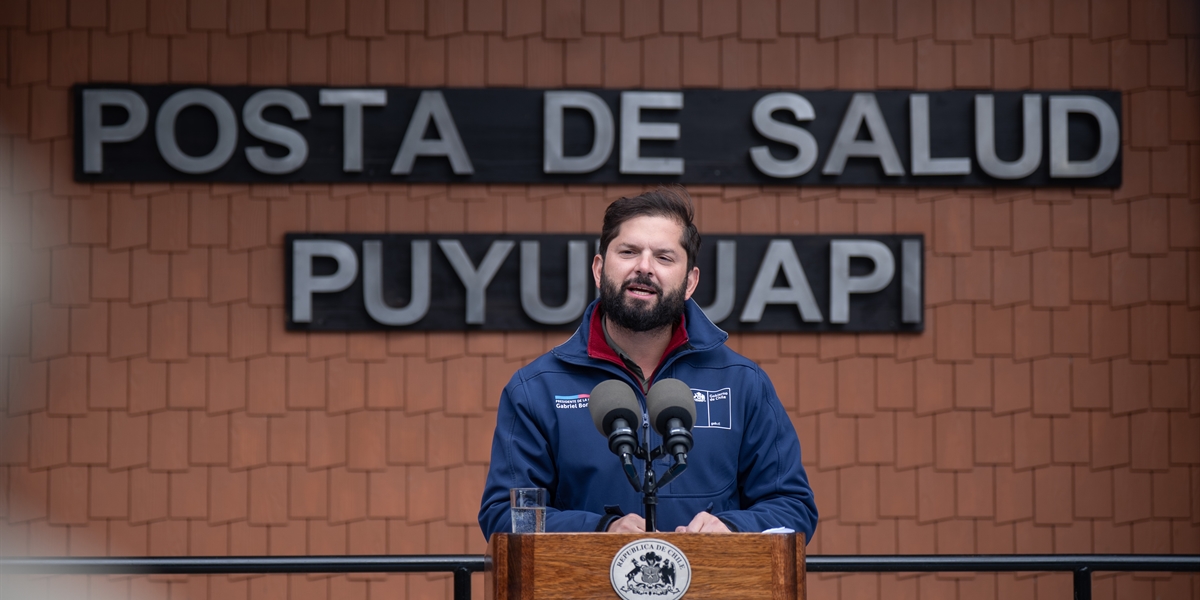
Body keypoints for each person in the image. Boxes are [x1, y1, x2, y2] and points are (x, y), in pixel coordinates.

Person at [478, 186, 818, 539]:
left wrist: (732, 528)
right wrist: (599, 529)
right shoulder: (537, 389)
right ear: (599, 269)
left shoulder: (742, 383)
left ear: (690, 282)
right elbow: (506, 516)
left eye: (664, 257)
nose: (644, 267)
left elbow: (792, 507)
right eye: (628, 252)